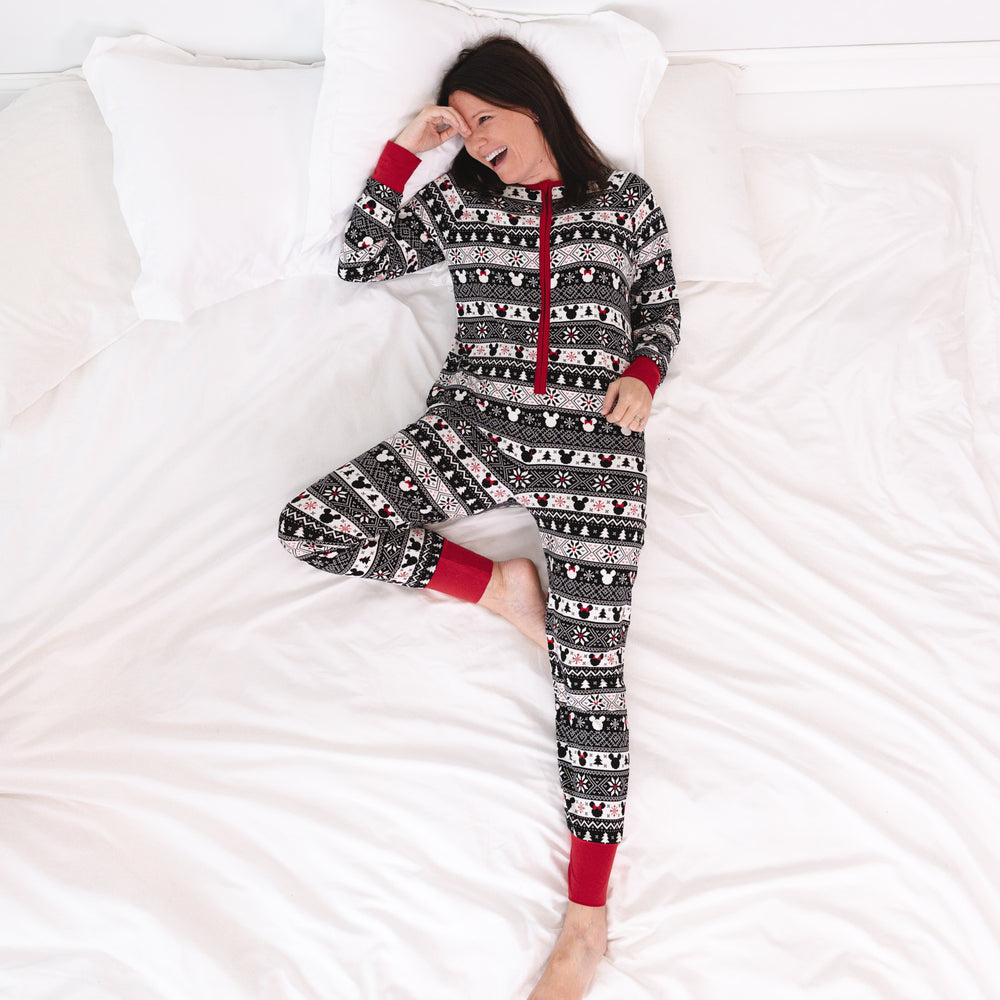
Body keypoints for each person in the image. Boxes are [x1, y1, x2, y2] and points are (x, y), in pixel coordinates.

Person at [279, 35, 679, 1000]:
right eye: (461, 122)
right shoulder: (460, 200)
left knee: (588, 669)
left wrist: (642, 374)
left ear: (531, 105)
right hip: (477, 423)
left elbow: (661, 308)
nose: (475, 137)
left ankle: (585, 923)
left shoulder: (624, 201)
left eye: (483, 118)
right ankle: (497, 583)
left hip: (591, 449)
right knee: (312, 521)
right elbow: (363, 258)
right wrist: (410, 149)